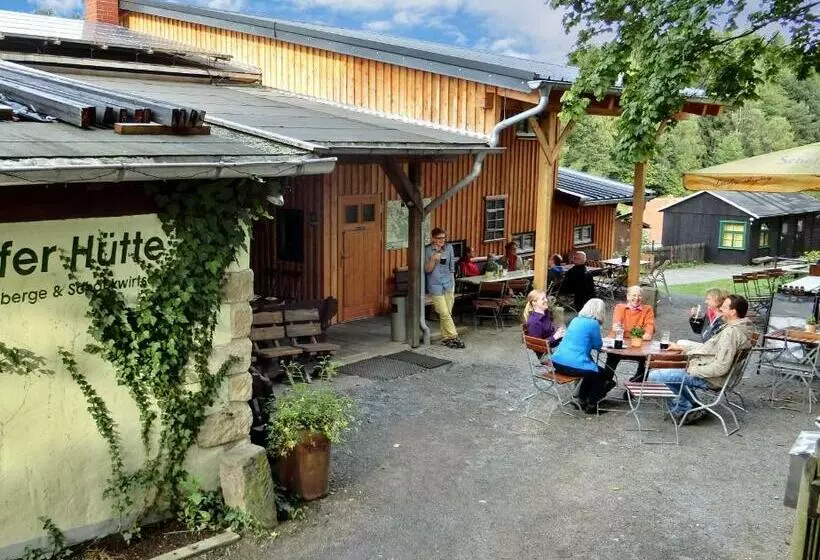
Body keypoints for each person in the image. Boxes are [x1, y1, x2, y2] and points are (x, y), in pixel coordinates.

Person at [647, 295, 753, 423]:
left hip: (712, 379)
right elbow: (711, 349)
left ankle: (684, 409)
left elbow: (721, 367)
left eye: (724, 307)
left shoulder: (731, 333)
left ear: (733, 312)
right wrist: (682, 347)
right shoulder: (740, 328)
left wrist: (693, 370)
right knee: (670, 371)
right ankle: (694, 406)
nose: (721, 309)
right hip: (713, 374)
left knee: (655, 375)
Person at [550, 298, 615, 414]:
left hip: (558, 362)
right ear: (600, 311)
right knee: (599, 373)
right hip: (573, 365)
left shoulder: (575, 320)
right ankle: (592, 404)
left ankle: (582, 399)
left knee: (593, 371)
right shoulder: (593, 323)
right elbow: (598, 345)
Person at [605, 285, 656, 381]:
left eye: (639, 295)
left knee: (648, 360)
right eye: (633, 295)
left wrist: (625, 333)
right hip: (620, 346)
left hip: (639, 348)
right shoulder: (620, 307)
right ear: (627, 296)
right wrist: (637, 334)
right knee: (612, 357)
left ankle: (634, 387)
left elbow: (648, 334)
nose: (636, 298)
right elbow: (616, 328)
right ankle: (605, 383)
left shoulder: (648, 309)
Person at [425, 227, 464, 349]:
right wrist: (433, 258)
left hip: (448, 284)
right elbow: (427, 270)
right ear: (433, 238)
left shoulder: (449, 248)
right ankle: (453, 336)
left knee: (447, 313)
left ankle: (445, 337)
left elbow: (452, 267)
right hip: (435, 285)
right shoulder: (427, 250)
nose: (442, 240)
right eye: (439, 238)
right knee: (444, 312)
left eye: (443, 238)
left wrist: (452, 284)